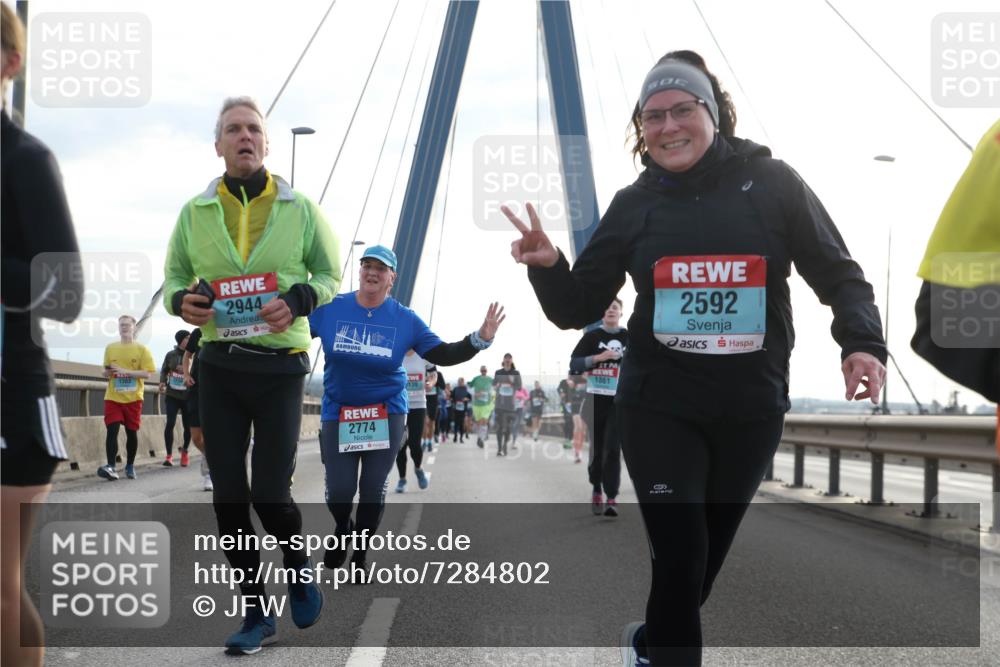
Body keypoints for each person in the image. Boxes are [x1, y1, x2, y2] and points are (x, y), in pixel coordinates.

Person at [504, 50, 887, 666]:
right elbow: (577, 305)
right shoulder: (634, 205)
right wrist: (549, 265)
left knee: (697, 568)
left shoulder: (773, 183)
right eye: (651, 116)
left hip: (750, 407)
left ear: (713, 114)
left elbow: (838, 273)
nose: (667, 126)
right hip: (659, 406)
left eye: (683, 109)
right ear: (641, 131)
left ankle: (651, 646)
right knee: (680, 560)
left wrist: (862, 342)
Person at [163, 96, 339, 654]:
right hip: (220, 365)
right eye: (233, 129)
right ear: (218, 145)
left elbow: (331, 274)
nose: (244, 137)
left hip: (281, 368)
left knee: (269, 489)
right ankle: (256, 613)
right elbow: (173, 280)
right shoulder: (194, 212)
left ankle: (297, 564)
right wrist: (181, 303)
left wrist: (303, 296)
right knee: (229, 498)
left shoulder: (301, 208)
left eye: (253, 130)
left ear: (265, 144)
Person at [309, 245, 504, 576]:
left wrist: (480, 339)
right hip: (338, 411)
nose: (372, 272)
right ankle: (343, 527)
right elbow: (292, 338)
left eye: (380, 269)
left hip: (387, 412)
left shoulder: (405, 319)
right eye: (366, 265)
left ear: (392, 278)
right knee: (340, 490)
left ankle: (360, 555)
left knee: (372, 489)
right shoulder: (331, 308)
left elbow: (444, 353)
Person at [1, 6, 83, 663]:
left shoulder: (26, 159)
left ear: (10, 62)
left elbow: (69, 292)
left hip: (14, 405)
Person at [571, 298, 629, 516]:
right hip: (595, 400)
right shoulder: (592, 337)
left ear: (621, 313)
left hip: (619, 402)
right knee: (598, 449)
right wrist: (599, 357)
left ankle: (611, 497)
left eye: (615, 307)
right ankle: (596, 485)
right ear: (602, 313)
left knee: (613, 448)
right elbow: (574, 364)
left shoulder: (628, 337)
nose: (611, 310)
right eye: (607, 307)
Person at [99, 315, 156, 480]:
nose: (124, 327)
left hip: (133, 398)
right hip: (113, 396)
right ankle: (111, 466)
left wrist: (125, 372)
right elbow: (105, 371)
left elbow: (148, 373)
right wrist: (107, 372)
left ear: (134, 328)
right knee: (112, 429)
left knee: (132, 433)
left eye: (127, 325)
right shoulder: (110, 348)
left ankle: (130, 465)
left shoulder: (142, 350)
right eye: (121, 325)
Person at [182, 327, 212, 491]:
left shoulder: (226, 327)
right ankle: (210, 457)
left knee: (212, 434)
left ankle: (210, 472)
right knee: (196, 437)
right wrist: (186, 375)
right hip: (196, 388)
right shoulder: (198, 332)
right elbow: (187, 356)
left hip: (217, 389)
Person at [396, 350, 431, 492]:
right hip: (399, 406)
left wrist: (430, 382)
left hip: (418, 405)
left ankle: (418, 468)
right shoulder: (396, 353)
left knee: (415, 444)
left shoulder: (423, 355)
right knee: (400, 445)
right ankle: (402, 480)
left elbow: (433, 374)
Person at [159, 329, 191, 467]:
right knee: (170, 423)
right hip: (172, 394)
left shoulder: (192, 356)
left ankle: (184, 452)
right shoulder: (170, 355)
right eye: (187, 338)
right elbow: (164, 369)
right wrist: (162, 382)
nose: (189, 340)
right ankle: (169, 456)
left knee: (188, 426)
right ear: (180, 340)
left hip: (187, 396)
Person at [492, 353, 522, 456]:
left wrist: (512, 382)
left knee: (508, 428)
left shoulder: (516, 373)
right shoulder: (498, 372)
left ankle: (505, 445)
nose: (508, 360)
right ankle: (500, 448)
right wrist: (497, 386)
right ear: (503, 360)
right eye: (506, 359)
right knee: (499, 427)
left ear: (512, 361)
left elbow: (519, 387)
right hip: (499, 404)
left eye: (510, 359)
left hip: (510, 405)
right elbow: (493, 385)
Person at [468, 364, 494, 448]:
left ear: (487, 371)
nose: (484, 372)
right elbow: (469, 386)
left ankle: (482, 439)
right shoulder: (476, 379)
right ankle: (479, 437)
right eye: (482, 370)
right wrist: (475, 394)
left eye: (485, 371)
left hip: (487, 404)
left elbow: (495, 388)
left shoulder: (490, 379)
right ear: (480, 371)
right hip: (477, 404)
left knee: (484, 421)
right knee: (479, 423)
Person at [556, 372, 576, 448]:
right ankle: (567, 438)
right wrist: (561, 393)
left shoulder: (576, 383)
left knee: (572, 423)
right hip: (565, 405)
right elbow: (558, 389)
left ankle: (570, 439)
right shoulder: (563, 382)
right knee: (567, 421)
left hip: (574, 405)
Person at [451, 377, 471, 442]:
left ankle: (461, 438)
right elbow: (452, 397)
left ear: (463, 382)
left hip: (463, 409)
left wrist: (466, 399)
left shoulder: (466, 389)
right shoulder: (455, 389)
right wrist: (454, 401)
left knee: (462, 423)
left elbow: (470, 398)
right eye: (459, 381)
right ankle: (455, 436)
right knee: (456, 423)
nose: (460, 383)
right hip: (456, 409)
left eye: (461, 382)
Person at [512, 384, 529, 448]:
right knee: (513, 424)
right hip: (512, 409)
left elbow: (527, 396)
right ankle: (509, 437)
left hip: (520, 409)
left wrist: (523, 398)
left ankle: (514, 441)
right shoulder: (512, 388)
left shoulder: (523, 389)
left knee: (516, 425)